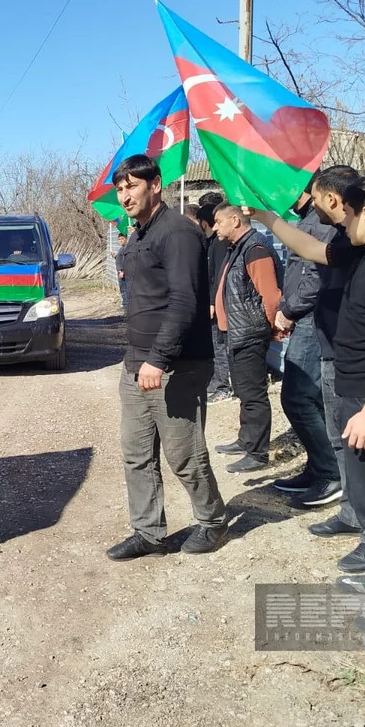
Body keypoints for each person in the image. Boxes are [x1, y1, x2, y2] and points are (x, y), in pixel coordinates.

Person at [252, 172, 365, 635]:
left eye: (347, 214)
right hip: (352, 392)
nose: (340, 221)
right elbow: (312, 249)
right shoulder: (360, 251)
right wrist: (267, 216)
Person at [107, 155, 228, 560]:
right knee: (136, 454)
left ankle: (212, 521)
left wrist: (158, 359)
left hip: (178, 364)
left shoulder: (177, 232)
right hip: (136, 363)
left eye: (132, 186)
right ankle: (149, 533)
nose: (125, 195)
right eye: (120, 188)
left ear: (155, 184)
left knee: (184, 454)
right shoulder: (139, 234)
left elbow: (184, 302)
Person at [302, 166, 365, 545]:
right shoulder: (345, 238)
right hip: (333, 351)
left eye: (315, 195)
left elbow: (314, 252)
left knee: (355, 444)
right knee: (339, 435)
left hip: (349, 357)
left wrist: (267, 219)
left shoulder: (360, 242)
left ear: (331, 198)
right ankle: (351, 511)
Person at [273, 187, 344, 508]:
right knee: (307, 398)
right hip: (305, 317)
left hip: (313, 318)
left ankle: (330, 474)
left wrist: (289, 310)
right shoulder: (308, 219)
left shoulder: (321, 222)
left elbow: (316, 275)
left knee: (298, 398)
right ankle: (319, 468)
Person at [212, 205, 282, 473]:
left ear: (234, 220)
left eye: (219, 222)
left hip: (250, 331)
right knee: (244, 390)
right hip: (238, 331)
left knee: (253, 394)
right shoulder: (239, 247)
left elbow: (271, 295)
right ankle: (246, 439)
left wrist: (272, 326)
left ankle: (257, 453)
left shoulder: (255, 249)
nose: (215, 227)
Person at [196, 193, 232, 403]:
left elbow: (218, 275)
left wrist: (212, 302)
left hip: (218, 304)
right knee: (214, 344)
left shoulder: (219, 245)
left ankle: (224, 385)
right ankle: (217, 380)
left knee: (220, 345)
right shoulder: (210, 243)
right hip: (211, 303)